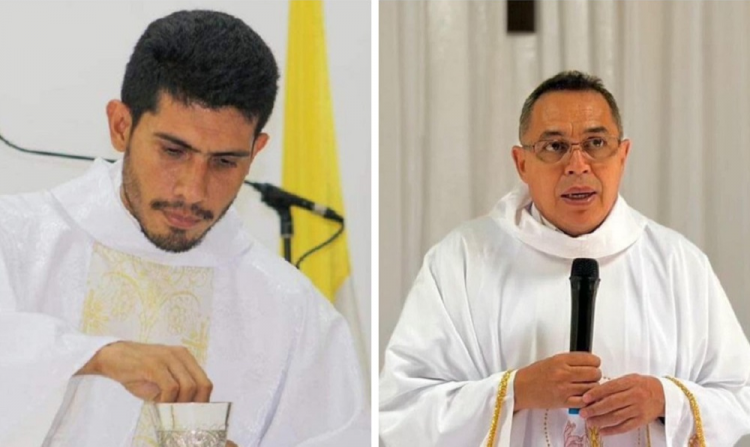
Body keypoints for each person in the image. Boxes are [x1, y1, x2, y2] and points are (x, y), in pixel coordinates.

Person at [0, 10, 367, 447]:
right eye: (174, 151)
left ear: (256, 152)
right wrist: (94, 356)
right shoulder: (17, 239)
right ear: (121, 126)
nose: (193, 191)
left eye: (225, 162)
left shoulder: (296, 312)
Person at [379, 71, 750, 446]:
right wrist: (517, 391)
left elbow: (740, 395)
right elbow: (401, 407)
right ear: (521, 163)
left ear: (622, 155)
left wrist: (663, 400)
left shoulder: (679, 265)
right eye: (554, 146)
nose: (577, 164)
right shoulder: (459, 262)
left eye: (596, 143)